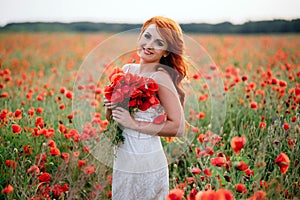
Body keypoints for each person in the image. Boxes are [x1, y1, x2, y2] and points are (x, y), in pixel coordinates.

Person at [104, 16, 188, 200]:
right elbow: (112, 119)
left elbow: (179, 128)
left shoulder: (161, 78)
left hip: (147, 159)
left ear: (166, 52)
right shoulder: (126, 70)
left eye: (159, 42)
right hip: (123, 157)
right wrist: (110, 106)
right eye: (147, 36)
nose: (149, 45)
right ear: (140, 36)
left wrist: (133, 123)